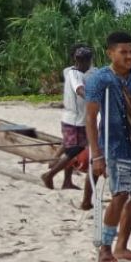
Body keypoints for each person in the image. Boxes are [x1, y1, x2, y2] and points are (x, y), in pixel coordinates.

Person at [84, 32, 131, 262]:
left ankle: (122, 246)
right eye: (123, 52)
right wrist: (96, 154)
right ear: (110, 53)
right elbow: (91, 117)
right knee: (120, 194)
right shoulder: (99, 79)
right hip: (114, 146)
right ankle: (105, 248)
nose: (129, 56)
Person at [42, 45, 94, 210]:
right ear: (79, 61)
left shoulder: (72, 70)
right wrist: (93, 97)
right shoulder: (74, 74)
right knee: (74, 151)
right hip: (74, 120)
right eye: (86, 61)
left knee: (71, 148)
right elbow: (79, 90)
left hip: (80, 119)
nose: (88, 65)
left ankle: (67, 181)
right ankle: (49, 175)